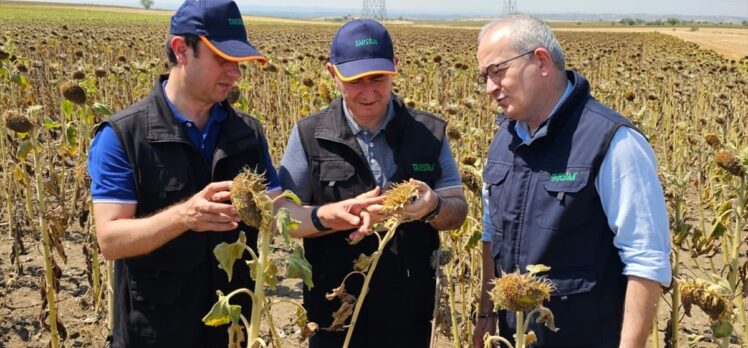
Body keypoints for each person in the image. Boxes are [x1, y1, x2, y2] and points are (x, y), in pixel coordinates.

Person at [88, 0, 280, 346]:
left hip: (231, 332)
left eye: (239, 63)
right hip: (154, 332)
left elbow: (278, 205)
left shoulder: (247, 133)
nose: (235, 74)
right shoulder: (123, 136)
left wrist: (330, 215)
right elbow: (111, 240)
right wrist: (184, 216)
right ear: (181, 50)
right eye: (222, 59)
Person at [472, 15, 671, 347]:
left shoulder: (612, 142)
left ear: (541, 61)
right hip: (512, 336)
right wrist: (486, 313)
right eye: (484, 77)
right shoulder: (503, 141)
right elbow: (492, 234)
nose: (490, 88)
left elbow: (646, 260)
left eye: (497, 71)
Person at [277, 19, 468, 347]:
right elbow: (282, 216)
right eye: (355, 80)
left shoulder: (429, 133)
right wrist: (328, 216)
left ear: (395, 68)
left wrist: (432, 206)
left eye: (378, 78)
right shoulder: (309, 134)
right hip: (333, 315)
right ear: (332, 73)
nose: (368, 93)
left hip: (408, 314)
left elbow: (457, 209)